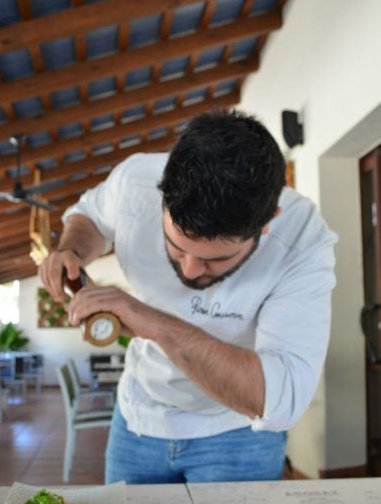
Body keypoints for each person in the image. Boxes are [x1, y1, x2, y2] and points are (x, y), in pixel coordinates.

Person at [39, 109, 337, 484]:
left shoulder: (302, 236)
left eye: (217, 259)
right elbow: (89, 216)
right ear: (161, 197)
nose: (191, 271)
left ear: (267, 221)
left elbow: (279, 398)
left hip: (239, 433)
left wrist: (153, 323)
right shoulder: (135, 181)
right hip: (138, 419)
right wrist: (73, 250)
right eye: (177, 248)